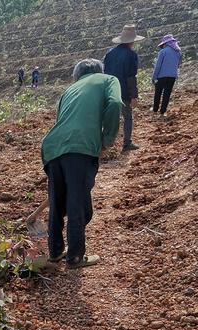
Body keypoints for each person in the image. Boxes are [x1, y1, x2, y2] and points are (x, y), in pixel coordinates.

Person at [41, 59, 122, 268]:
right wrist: (108, 139)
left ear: (77, 75)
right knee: (77, 202)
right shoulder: (108, 79)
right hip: (80, 147)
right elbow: (114, 103)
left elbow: (60, 120)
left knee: (57, 203)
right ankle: (75, 257)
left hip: (52, 147)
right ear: (99, 70)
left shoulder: (68, 90)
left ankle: (55, 252)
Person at [103, 24, 145, 152]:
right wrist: (134, 96)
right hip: (124, 91)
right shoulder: (131, 55)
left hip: (110, 90)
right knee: (127, 117)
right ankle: (127, 144)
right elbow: (131, 77)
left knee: (109, 117)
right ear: (131, 41)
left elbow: (105, 73)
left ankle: (105, 144)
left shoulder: (109, 54)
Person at [152, 34, 182, 117]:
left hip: (161, 76)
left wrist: (154, 77)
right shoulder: (178, 52)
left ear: (166, 44)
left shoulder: (163, 52)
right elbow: (178, 64)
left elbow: (158, 66)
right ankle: (162, 112)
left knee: (158, 93)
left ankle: (155, 110)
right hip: (172, 76)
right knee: (167, 94)